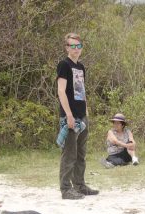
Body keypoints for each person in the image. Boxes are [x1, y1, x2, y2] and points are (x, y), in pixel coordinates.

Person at [57, 33, 99, 200]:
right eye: (72, 46)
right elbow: (61, 91)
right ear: (67, 47)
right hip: (70, 116)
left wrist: (86, 112)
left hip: (82, 116)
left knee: (81, 153)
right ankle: (66, 189)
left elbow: (81, 91)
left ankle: (80, 186)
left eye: (78, 46)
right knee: (69, 153)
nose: (76, 49)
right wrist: (68, 115)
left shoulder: (80, 67)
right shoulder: (64, 65)